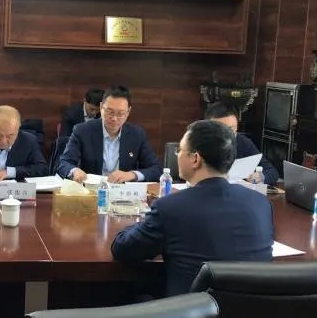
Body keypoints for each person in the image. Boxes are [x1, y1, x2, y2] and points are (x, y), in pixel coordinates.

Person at [111, 120, 274, 297]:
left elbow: (123, 249)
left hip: (191, 312)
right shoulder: (261, 203)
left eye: (180, 150)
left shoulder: (171, 208)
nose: (177, 155)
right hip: (250, 311)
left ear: (195, 159)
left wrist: (141, 221)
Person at [57, 86, 162, 183]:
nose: (114, 118)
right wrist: (74, 171)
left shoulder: (137, 134)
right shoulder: (82, 131)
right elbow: (64, 163)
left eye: (120, 113)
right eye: (110, 112)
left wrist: (131, 175)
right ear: (101, 107)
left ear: (128, 112)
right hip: (92, 191)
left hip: (123, 191)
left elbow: (156, 169)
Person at [204, 102, 279, 185]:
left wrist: (260, 177)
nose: (227, 135)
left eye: (231, 129)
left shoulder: (241, 141)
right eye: (220, 130)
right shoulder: (197, 143)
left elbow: (271, 171)